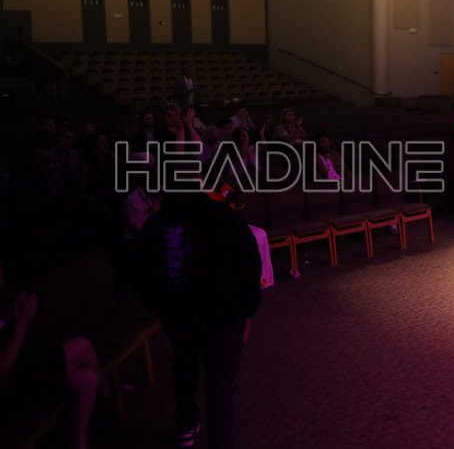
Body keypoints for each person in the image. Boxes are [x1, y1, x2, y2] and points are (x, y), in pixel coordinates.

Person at [131, 191, 261, 448]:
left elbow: (141, 275)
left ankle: (186, 424)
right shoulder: (224, 216)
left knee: (185, 367)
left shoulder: (156, 225)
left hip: (178, 315)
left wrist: (163, 310)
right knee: (220, 384)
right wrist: (248, 311)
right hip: (224, 315)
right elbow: (249, 264)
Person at [0, 260, 106, 449]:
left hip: (27, 370)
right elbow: (2, 370)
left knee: (87, 380)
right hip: (14, 391)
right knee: (83, 346)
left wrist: (16, 317)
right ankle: (107, 392)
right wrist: (23, 321)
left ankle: (80, 444)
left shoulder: (4, 295)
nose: (2, 269)